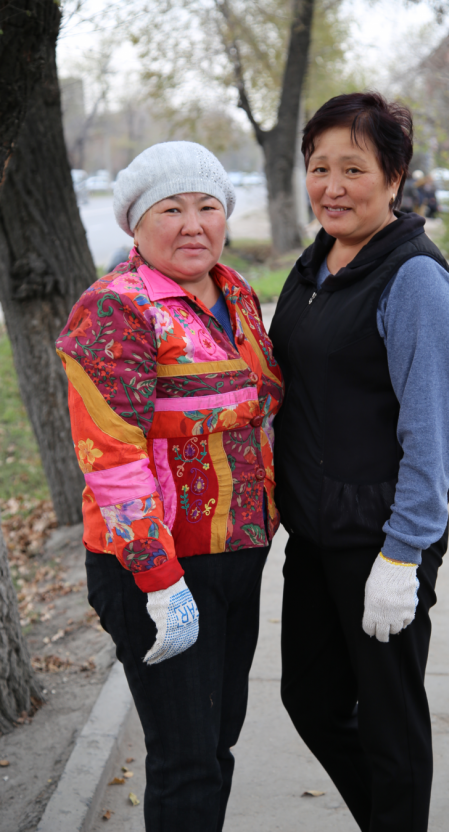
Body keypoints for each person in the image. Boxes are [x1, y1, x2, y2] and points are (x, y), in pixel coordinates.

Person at [56, 141, 283, 832]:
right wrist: (158, 580)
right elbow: (113, 457)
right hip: (158, 570)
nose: (193, 224)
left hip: (237, 554)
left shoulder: (232, 291)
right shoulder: (117, 309)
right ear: (134, 223)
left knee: (216, 741)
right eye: (171, 209)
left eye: (207, 206)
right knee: (185, 757)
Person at [269, 92, 449, 832]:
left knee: (390, 730)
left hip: (381, 542)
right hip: (315, 535)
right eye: (319, 167)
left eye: (354, 167)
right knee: (310, 702)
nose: (332, 185)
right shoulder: (315, 264)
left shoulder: (411, 279)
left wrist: (401, 556)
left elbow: (431, 432)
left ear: (395, 175)